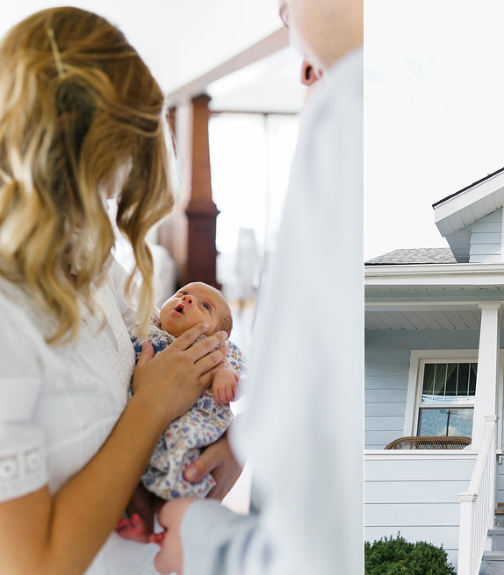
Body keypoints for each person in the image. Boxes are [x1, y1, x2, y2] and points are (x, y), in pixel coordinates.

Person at [0, 8, 238, 574]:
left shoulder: (85, 255)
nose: (110, 196)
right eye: (108, 166)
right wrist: (151, 409)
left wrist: (216, 439)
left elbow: (155, 356)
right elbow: (27, 565)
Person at [151, 0, 363, 573]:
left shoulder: (350, 114)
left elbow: (322, 535)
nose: (282, 13)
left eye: (289, 4)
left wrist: (207, 542)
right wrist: (243, 442)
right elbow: (316, 382)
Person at [117, 282, 246, 541]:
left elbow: (240, 376)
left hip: (193, 429)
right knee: (133, 482)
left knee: (187, 483)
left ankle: (176, 530)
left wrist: (225, 376)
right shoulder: (145, 330)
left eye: (204, 306)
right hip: (147, 429)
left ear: (218, 334)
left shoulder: (216, 348)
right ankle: (141, 522)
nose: (187, 301)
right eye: (183, 294)